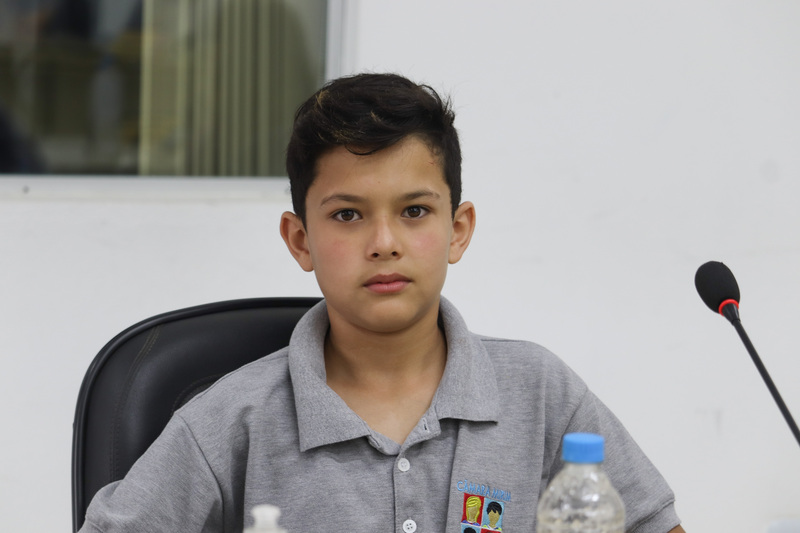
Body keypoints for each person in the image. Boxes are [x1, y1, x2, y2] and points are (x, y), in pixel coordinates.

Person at [79, 73, 686, 533]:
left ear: (457, 231)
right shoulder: (230, 420)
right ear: (300, 240)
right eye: (348, 215)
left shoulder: (542, 393)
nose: (384, 243)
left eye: (414, 211)